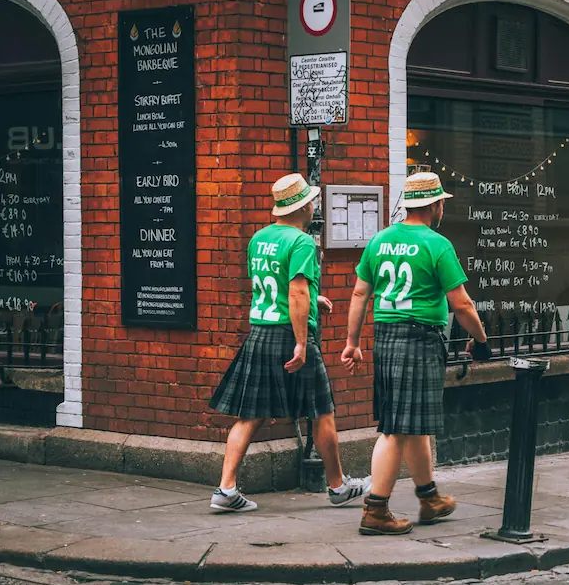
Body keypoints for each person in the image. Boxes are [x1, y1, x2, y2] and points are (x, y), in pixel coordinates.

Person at [208, 173, 371, 512]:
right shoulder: (301, 243)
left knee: (250, 414)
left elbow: (276, 284)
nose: (313, 205)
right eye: (310, 201)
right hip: (290, 335)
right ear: (302, 207)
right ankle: (339, 486)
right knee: (322, 411)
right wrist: (300, 342)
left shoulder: (259, 239)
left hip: (261, 330)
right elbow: (295, 290)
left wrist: (315, 299)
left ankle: (225, 490)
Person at [342, 172, 489, 535]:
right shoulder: (437, 244)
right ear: (435, 205)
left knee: (414, 425)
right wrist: (481, 339)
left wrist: (352, 342)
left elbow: (360, 294)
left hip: (387, 338)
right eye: (442, 203)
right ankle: (375, 510)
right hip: (419, 339)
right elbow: (463, 303)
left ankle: (429, 498)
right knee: (395, 428)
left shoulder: (379, 241)